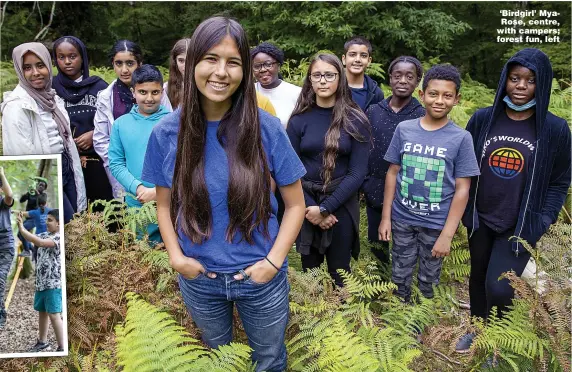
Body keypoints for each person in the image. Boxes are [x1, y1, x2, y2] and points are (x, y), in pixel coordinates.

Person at [141, 17, 306, 372]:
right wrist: (177, 258)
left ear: (245, 69)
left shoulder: (268, 128)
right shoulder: (166, 133)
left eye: (233, 62)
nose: (221, 72)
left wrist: (273, 263)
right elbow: (165, 204)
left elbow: (295, 206)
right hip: (200, 279)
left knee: (270, 359)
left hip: (260, 277)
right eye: (211, 59)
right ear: (192, 63)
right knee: (220, 362)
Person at [455, 48, 571, 353]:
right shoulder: (482, 120)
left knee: (501, 287)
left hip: (520, 223)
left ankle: (498, 341)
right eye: (514, 78)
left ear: (541, 83)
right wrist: (464, 212)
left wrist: (544, 218)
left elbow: (560, 181)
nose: (520, 86)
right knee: (478, 277)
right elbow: (462, 168)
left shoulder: (555, 129)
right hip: (481, 217)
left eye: (530, 80)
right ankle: (478, 330)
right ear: (505, 80)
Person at [379, 64, 480, 303]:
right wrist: (386, 217)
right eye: (433, 94)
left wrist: (448, 233)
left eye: (447, 95)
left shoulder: (461, 138)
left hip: (436, 223)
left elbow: (462, 188)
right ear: (422, 95)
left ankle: (419, 322)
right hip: (402, 218)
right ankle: (399, 320)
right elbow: (393, 172)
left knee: (429, 278)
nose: (439, 101)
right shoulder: (404, 129)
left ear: (457, 99)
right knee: (399, 273)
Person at [287, 53, 371, 287]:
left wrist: (325, 208)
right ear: (310, 81)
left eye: (329, 75)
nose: (323, 81)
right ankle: (314, 320)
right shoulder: (298, 120)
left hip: (341, 205)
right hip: (306, 204)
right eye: (317, 75)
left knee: (340, 273)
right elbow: (290, 169)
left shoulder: (356, 120)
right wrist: (311, 208)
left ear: (340, 79)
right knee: (309, 274)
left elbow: (357, 173)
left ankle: (341, 320)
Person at [1, 42, 87, 223]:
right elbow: (21, 154)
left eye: (40, 65)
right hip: (46, 174)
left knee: (76, 224)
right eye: (27, 68)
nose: (36, 73)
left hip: (66, 166)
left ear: (49, 65)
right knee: (65, 224)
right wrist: (40, 184)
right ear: (19, 71)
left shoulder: (51, 98)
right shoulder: (17, 107)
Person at [362, 56, 426, 264]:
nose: (403, 81)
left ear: (417, 82)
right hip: (375, 189)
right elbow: (363, 147)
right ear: (390, 79)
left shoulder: (422, 115)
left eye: (410, 76)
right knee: (377, 244)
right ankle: (379, 288)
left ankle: (402, 288)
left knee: (405, 247)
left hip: (408, 192)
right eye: (397, 75)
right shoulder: (373, 111)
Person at [93, 40, 172, 199]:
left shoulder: (164, 109)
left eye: (130, 63)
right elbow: (101, 140)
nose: (124, 69)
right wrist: (127, 176)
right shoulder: (107, 98)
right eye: (119, 63)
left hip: (163, 189)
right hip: (126, 179)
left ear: (139, 63)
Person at [109, 65, 170, 243]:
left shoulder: (174, 122)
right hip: (137, 203)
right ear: (133, 92)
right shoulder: (121, 124)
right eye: (143, 92)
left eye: (155, 92)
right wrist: (138, 188)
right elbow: (116, 163)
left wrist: (158, 192)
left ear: (162, 92)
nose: (149, 98)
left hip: (171, 202)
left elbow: (182, 164)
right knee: (142, 252)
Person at [53, 36, 114, 205]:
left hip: (98, 163)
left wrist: (94, 134)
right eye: (61, 57)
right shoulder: (50, 90)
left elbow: (115, 122)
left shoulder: (100, 88)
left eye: (72, 56)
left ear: (83, 57)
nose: (67, 62)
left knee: (105, 210)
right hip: (68, 163)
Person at [17, 209, 64, 352]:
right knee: (42, 312)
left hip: (53, 284)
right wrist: (22, 229)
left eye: (50, 220)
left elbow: (40, 242)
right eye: (46, 219)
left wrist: (22, 228)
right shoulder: (45, 234)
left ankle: (62, 346)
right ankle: (42, 342)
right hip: (41, 283)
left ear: (59, 223)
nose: (46, 222)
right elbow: (33, 238)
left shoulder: (58, 238)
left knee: (54, 314)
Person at [251, 41, 302, 128]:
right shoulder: (248, 92)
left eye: (268, 64)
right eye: (257, 66)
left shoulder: (296, 93)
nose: (262, 69)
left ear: (278, 65)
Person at [342, 37, 384, 112]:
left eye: (363, 56)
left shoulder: (376, 93)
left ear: (369, 61)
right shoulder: (333, 87)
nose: (358, 59)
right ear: (344, 59)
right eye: (352, 55)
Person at [16, 193, 52, 261]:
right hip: (48, 239)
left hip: (37, 240)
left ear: (37, 204)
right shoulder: (51, 211)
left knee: (37, 260)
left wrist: (13, 211)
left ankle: (28, 250)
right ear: (46, 202)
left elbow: (22, 213)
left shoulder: (35, 212)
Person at [17, 179, 48, 257]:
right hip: (28, 217)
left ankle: (27, 251)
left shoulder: (43, 195)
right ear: (37, 185)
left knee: (23, 230)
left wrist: (37, 193)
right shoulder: (31, 193)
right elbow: (21, 200)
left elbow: (41, 203)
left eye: (42, 186)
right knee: (19, 234)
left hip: (35, 218)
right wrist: (26, 194)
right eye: (39, 185)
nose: (40, 187)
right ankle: (33, 249)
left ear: (44, 188)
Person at [0, 167, 14, 329]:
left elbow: (10, 195)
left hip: (5, 246)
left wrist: (2, 174)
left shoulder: (3, 202)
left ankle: (1, 313)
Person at [165, 38, 191, 109]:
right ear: (175, 62)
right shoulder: (166, 88)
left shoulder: (204, 85)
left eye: (190, 60)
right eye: (181, 61)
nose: (186, 66)